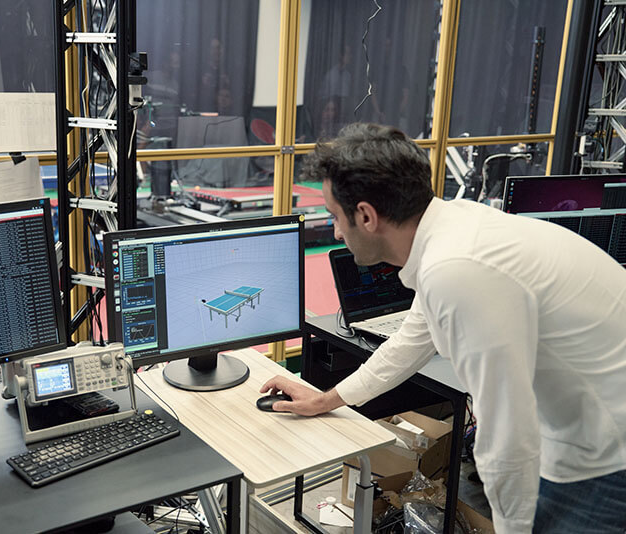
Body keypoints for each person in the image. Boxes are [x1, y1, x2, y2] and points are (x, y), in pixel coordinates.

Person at [261, 123, 626, 533]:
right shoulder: (455, 227)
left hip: (606, 454)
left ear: (366, 216)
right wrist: (325, 400)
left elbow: (506, 437)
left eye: (334, 216)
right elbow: (410, 341)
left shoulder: (455, 270)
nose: (335, 231)